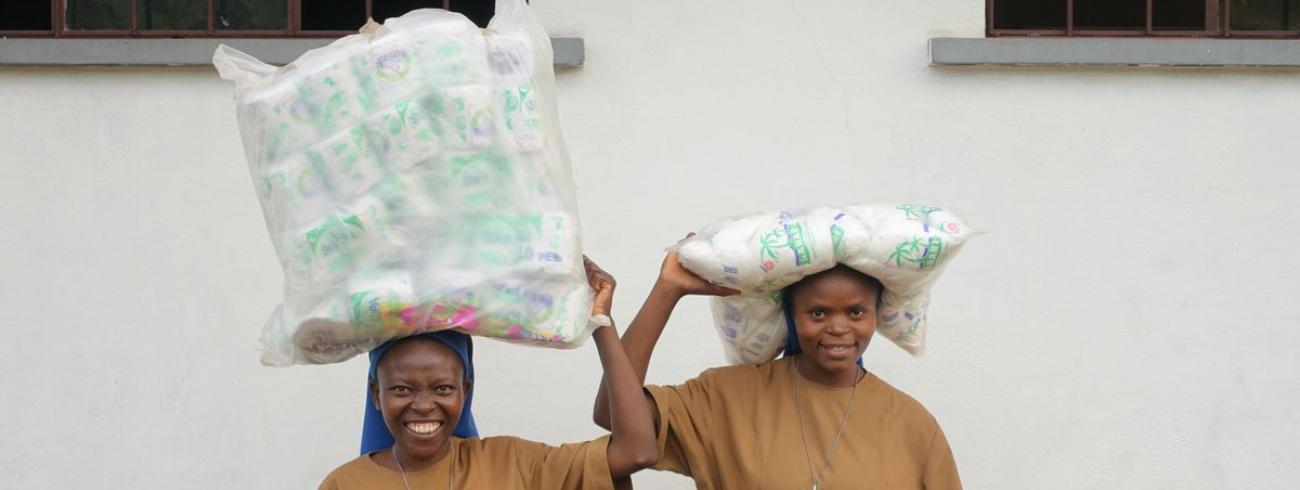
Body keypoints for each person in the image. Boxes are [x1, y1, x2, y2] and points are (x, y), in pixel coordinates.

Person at [593, 248, 962, 489]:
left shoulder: (912, 425)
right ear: (792, 315)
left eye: (855, 312)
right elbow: (613, 414)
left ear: (875, 316)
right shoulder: (728, 398)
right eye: (818, 312)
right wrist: (667, 291)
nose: (838, 327)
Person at [321, 257, 657, 489]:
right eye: (402, 390)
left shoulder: (511, 465)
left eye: (442, 389)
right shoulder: (344, 484)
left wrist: (600, 322)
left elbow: (636, 451)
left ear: (465, 388)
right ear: (374, 393)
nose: (423, 405)